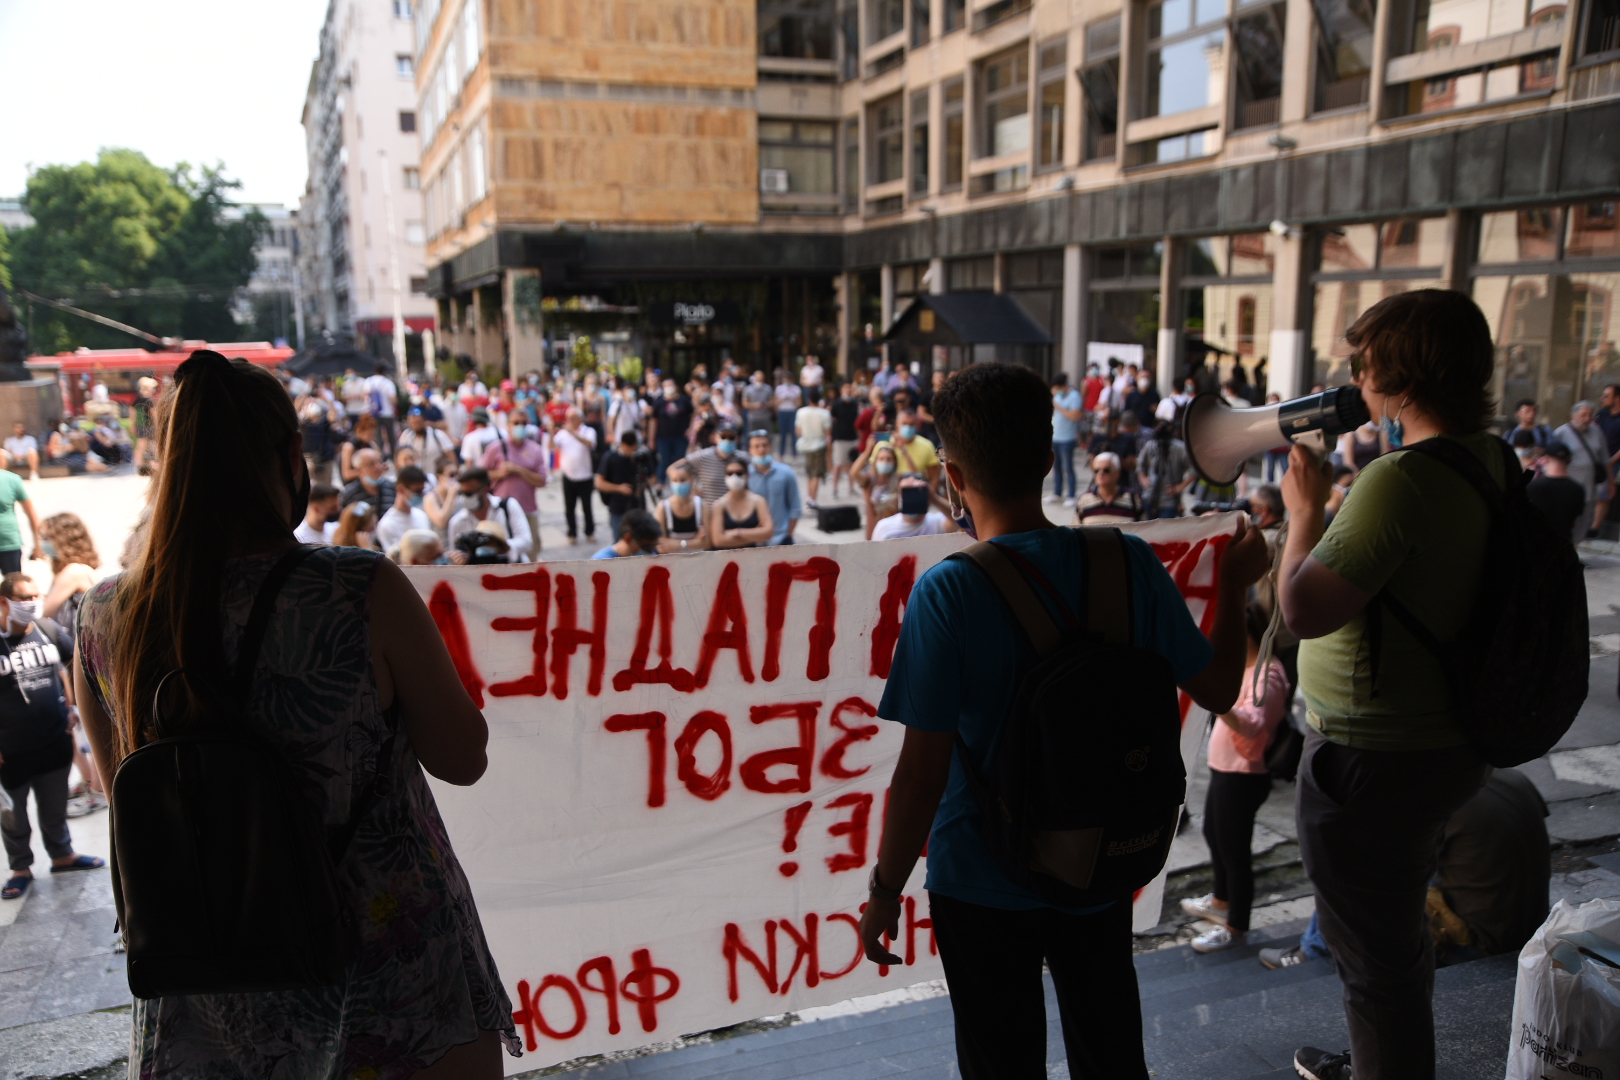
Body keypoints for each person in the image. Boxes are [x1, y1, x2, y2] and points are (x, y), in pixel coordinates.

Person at [70, 350, 516, 1076]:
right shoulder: (357, 588)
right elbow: (464, 759)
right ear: (290, 455)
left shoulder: (103, 615)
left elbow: (119, 786)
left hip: (213, 982)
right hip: (390, 968)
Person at [857, 360, 1268, 1080]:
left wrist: (885, 890)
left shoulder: (947, 594)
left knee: (1000, 1059)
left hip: (980, 876)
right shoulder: (1129, 563)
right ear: (1051, 460)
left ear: (951, 475)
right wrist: (1233, 583)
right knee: (1109, 1048)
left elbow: (921, 775)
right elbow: (1219, 687)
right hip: (1099, 858)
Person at [1278, 289, 1502, 1080]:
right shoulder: (1489, 457)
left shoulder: (1399, 479)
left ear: (1402, 375)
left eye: (1366, 362)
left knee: (1370, 954)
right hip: (1443, 737)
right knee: (1392, 929)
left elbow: (1301, 608)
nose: (1358, 377)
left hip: (1374, 755)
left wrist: (1302, 516)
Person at [1180, 604, 1290, 953]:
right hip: (1224, 770)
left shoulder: (1267, 673)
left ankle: (1235, 926)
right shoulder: (1242, 669)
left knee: (1234, 851)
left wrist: (1217, 697)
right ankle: (1221, 901)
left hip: (1243, 775)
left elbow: (1253, 724)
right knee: (1215, 835)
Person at [0, 572, 102, 899]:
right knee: (13, 816)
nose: (31, 603)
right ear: (4, 602)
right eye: (23, 598)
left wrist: (72, 706)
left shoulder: (47, 630)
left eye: (34, 596)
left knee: (54, 806)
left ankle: (62, 855)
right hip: (11, 750)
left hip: (53, 740)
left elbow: (70, 663)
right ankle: (20, 868)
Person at [481, 422, 548, 552]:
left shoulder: (535, 449)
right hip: (500, 511)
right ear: (508, 425)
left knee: (531, 551)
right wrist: (500, 473)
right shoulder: (495, 448)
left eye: (522, 422)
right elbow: (481, 475)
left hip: (528, 509)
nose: (519, 426)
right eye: (515, 422)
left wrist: (518, 470)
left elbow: (542, 481)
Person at [448, 466, 533, 563]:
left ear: (485, 489)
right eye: (461, 493)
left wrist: (498, 546)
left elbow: (526, 542)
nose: (464, 498)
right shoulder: (457, 522)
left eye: (469, 493)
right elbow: (453, 554)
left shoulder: (508, 507)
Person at [1557, 400, 1610, 538]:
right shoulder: (1561, 433)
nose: (1587, 419)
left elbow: (1605, 459)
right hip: (1567, 489)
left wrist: (1610, 482)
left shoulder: (1597, 431)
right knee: (1565, 525)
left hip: (1589, 489)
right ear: (1573, 416)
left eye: (1590, 415)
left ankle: (1574, 550)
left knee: (1582, 525)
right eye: (1583, 415)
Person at [595, 431, 651, 545]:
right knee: (619, 541)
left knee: (641, 540)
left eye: (634, 448)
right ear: (623, 445)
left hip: (638, 506)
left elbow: (653, 478)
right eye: (629, 448)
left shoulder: (641, 458)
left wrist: (642, 485)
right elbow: (599, 483)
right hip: (618, 507)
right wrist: (619, 488)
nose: (632, 452)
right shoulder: (610, 458)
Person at [746, 430, 801, 546]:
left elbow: (795, 507)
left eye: (764, 445)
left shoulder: (786, 473)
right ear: (750, 450)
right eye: (756, 446)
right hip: (754, 540)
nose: (761, 449)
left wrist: (788, 534)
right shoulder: (745, 476)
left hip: (781, 538)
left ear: (770, 447)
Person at [554, 408, 600, 544]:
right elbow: (553, 446)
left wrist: (573, 433)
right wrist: (551, 432)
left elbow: (590, 443)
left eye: (574, 417)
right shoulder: (562, 434)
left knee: (587, 506)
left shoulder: (589, 431)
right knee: (569, 507)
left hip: (585, 475)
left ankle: (589, 531)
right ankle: (572, 533)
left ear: (580, 418)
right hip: (569, 476)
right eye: (569, 418)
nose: (571, 421)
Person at [1526, 442, 1586, 542]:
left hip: (1534, 543)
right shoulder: (1578, 489)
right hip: (1562, 545)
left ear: (1545, 459)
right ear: (1569, 462)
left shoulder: (1533, 486)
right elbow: (1577, 521)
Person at [708, 460, 775, 549]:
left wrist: (738, 532)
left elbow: (769, 532)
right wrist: (755, 535)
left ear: (747, 476)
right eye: (730, 473)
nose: (734, 477)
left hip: (751, 558)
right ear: (725, 477)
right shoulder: (719, 505)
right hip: (725, 560)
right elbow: (718, 540)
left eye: (739, 473)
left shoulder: (759, 501)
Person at [870, 476, 957, 540]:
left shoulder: (937, 522)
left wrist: (934, 498)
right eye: (906, 492)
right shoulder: (884, 527)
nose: (911, 497)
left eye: (915, 492)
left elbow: (957, 518)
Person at [1137, 421, 1193, 519]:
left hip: (1169, 500)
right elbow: (1140, 463)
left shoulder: (1179, 448)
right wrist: (1143, 478)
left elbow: (1194, 469)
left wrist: (1179, 487)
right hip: (1149, 495)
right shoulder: (1151, 445)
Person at [683, 420, 741, 509]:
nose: (727, 440)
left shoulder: (743, 458)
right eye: (723, 437)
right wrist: (693, 489)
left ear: (736, 439)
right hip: (710, 512)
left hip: (736, 513)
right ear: (715, 437)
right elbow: (676, 468)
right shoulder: (703, 456)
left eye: (731, 437)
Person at [376, 466, 433, 554]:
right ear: (401, 489)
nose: (421, 496)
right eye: (417, 491)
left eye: (422, 491)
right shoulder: (387, 525)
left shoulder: (422, 516)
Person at [655, 462, 709, 553]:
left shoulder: (702, 505)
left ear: (692, 480)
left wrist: (676, 544)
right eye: (675, 480)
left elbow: (708, 543)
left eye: (683, 480)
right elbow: (661, 547)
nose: (679, 484)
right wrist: (695, 541)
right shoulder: (663, 508)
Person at [854, 442, 904, 539]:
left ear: (895, 462)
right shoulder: (869, 480)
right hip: (874, 534)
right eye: (881, 459)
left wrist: (904, 452)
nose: (885, 462)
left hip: (896, 533)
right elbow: (854, 473)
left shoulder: (900, 480)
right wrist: (867, 452)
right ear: (875, 461)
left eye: (889, 459)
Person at [1073, 452, 1141, 524]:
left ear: (1118, 472)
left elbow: (1144, 530)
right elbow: (1075, 530)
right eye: (1097, 470)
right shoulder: (1084, 500)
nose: (1101, 473)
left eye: (1106, 470)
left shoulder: (1133, 499)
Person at [1049, 374, 1084, 506]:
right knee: (1056, 467)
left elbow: (1074, 416)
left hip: (1067, 438)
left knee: (1068, 467)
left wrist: (1058, 406)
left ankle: (1071, 495)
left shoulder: (1074, 397)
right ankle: (1057, 492)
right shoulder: (1057, 396)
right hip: (1055, 436)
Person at [795, 388, 833, 507]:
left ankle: (809, 496)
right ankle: (813, 498)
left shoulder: (801, 412)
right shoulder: (824, 413)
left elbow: (798, 431)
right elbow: (828, 433)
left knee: (810, 472)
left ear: (808, 399)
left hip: (806, 445)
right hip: (819, 445)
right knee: (816, 473)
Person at [653, 377, 694, 484]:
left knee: (680, 461)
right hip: (663, 437)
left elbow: (693, 414)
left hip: (680, 437)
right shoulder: (659, 401)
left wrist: (691, 429)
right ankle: (661, 484)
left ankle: (682, 481)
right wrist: (651, 438)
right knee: (664, 461)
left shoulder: (684, 400)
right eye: (666, 386)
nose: (668, 388)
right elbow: (654, 421)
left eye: (670, 385)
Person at [0, 469, 41, 577]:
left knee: (14, 587)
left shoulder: (11, 479)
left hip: (8, 543)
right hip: (9, 540)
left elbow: (31, 514)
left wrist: (38, 544)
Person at [397, 408, 456, 478]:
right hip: (414, 478)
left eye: (418, 422)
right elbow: (399, 457)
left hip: (436, 477)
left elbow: (451, 456)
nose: (416, 425)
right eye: (413, 423)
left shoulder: (437, 435)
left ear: (424, 420)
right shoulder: (406, 436)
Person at [829, 381, 862, 499]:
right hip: (840, 438)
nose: (849, 390)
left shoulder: (855, 404)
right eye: (846, 388)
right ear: (842, 390)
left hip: (852, 437)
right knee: (838, 464)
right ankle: (834, 489)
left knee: (852, 464)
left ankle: (852, 488)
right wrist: (830, 437)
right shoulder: (836, 404)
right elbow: (831, 420)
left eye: (850, 388)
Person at [592, 508, 663, 560]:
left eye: (654, 546)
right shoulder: (602, 563)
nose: (651, 552)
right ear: (628, 538)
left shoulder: (650, 559)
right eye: (647, 547)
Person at [341, 448, 396, 513]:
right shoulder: (349, 494)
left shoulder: (392, 487)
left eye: (379, 462)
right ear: (359, 470)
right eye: (371, 464)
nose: (377, 467)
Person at [366, 364, 400, 455]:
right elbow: (393, 399)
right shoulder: (388, 383)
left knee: (378, 436)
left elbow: (364, 396)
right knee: (391, 436)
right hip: (387, 412)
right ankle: (394, 455)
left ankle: (380, 455)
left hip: (374, 413)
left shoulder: (369, 381)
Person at [773, 374, 803, 459]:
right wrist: (782, 399)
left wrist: (792, 399)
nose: (787, 381)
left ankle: (794, 454)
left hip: (792, 412)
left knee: (794, 434)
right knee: (782, 434)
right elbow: (775, 403)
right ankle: (781, 454)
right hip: (782, 412)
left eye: (789, 379)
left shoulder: (796, 389)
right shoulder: (779, 389)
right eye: (786, 379)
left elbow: (799, 403)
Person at [741, 370, 775, 435]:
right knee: (752, 436)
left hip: (765, 417)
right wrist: (754, 405)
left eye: (761, 378)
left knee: (767, 436)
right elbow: (744, 403)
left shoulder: (768, 388)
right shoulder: (748, 389)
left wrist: (765, 405)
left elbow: (773, 402)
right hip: (753, 417)